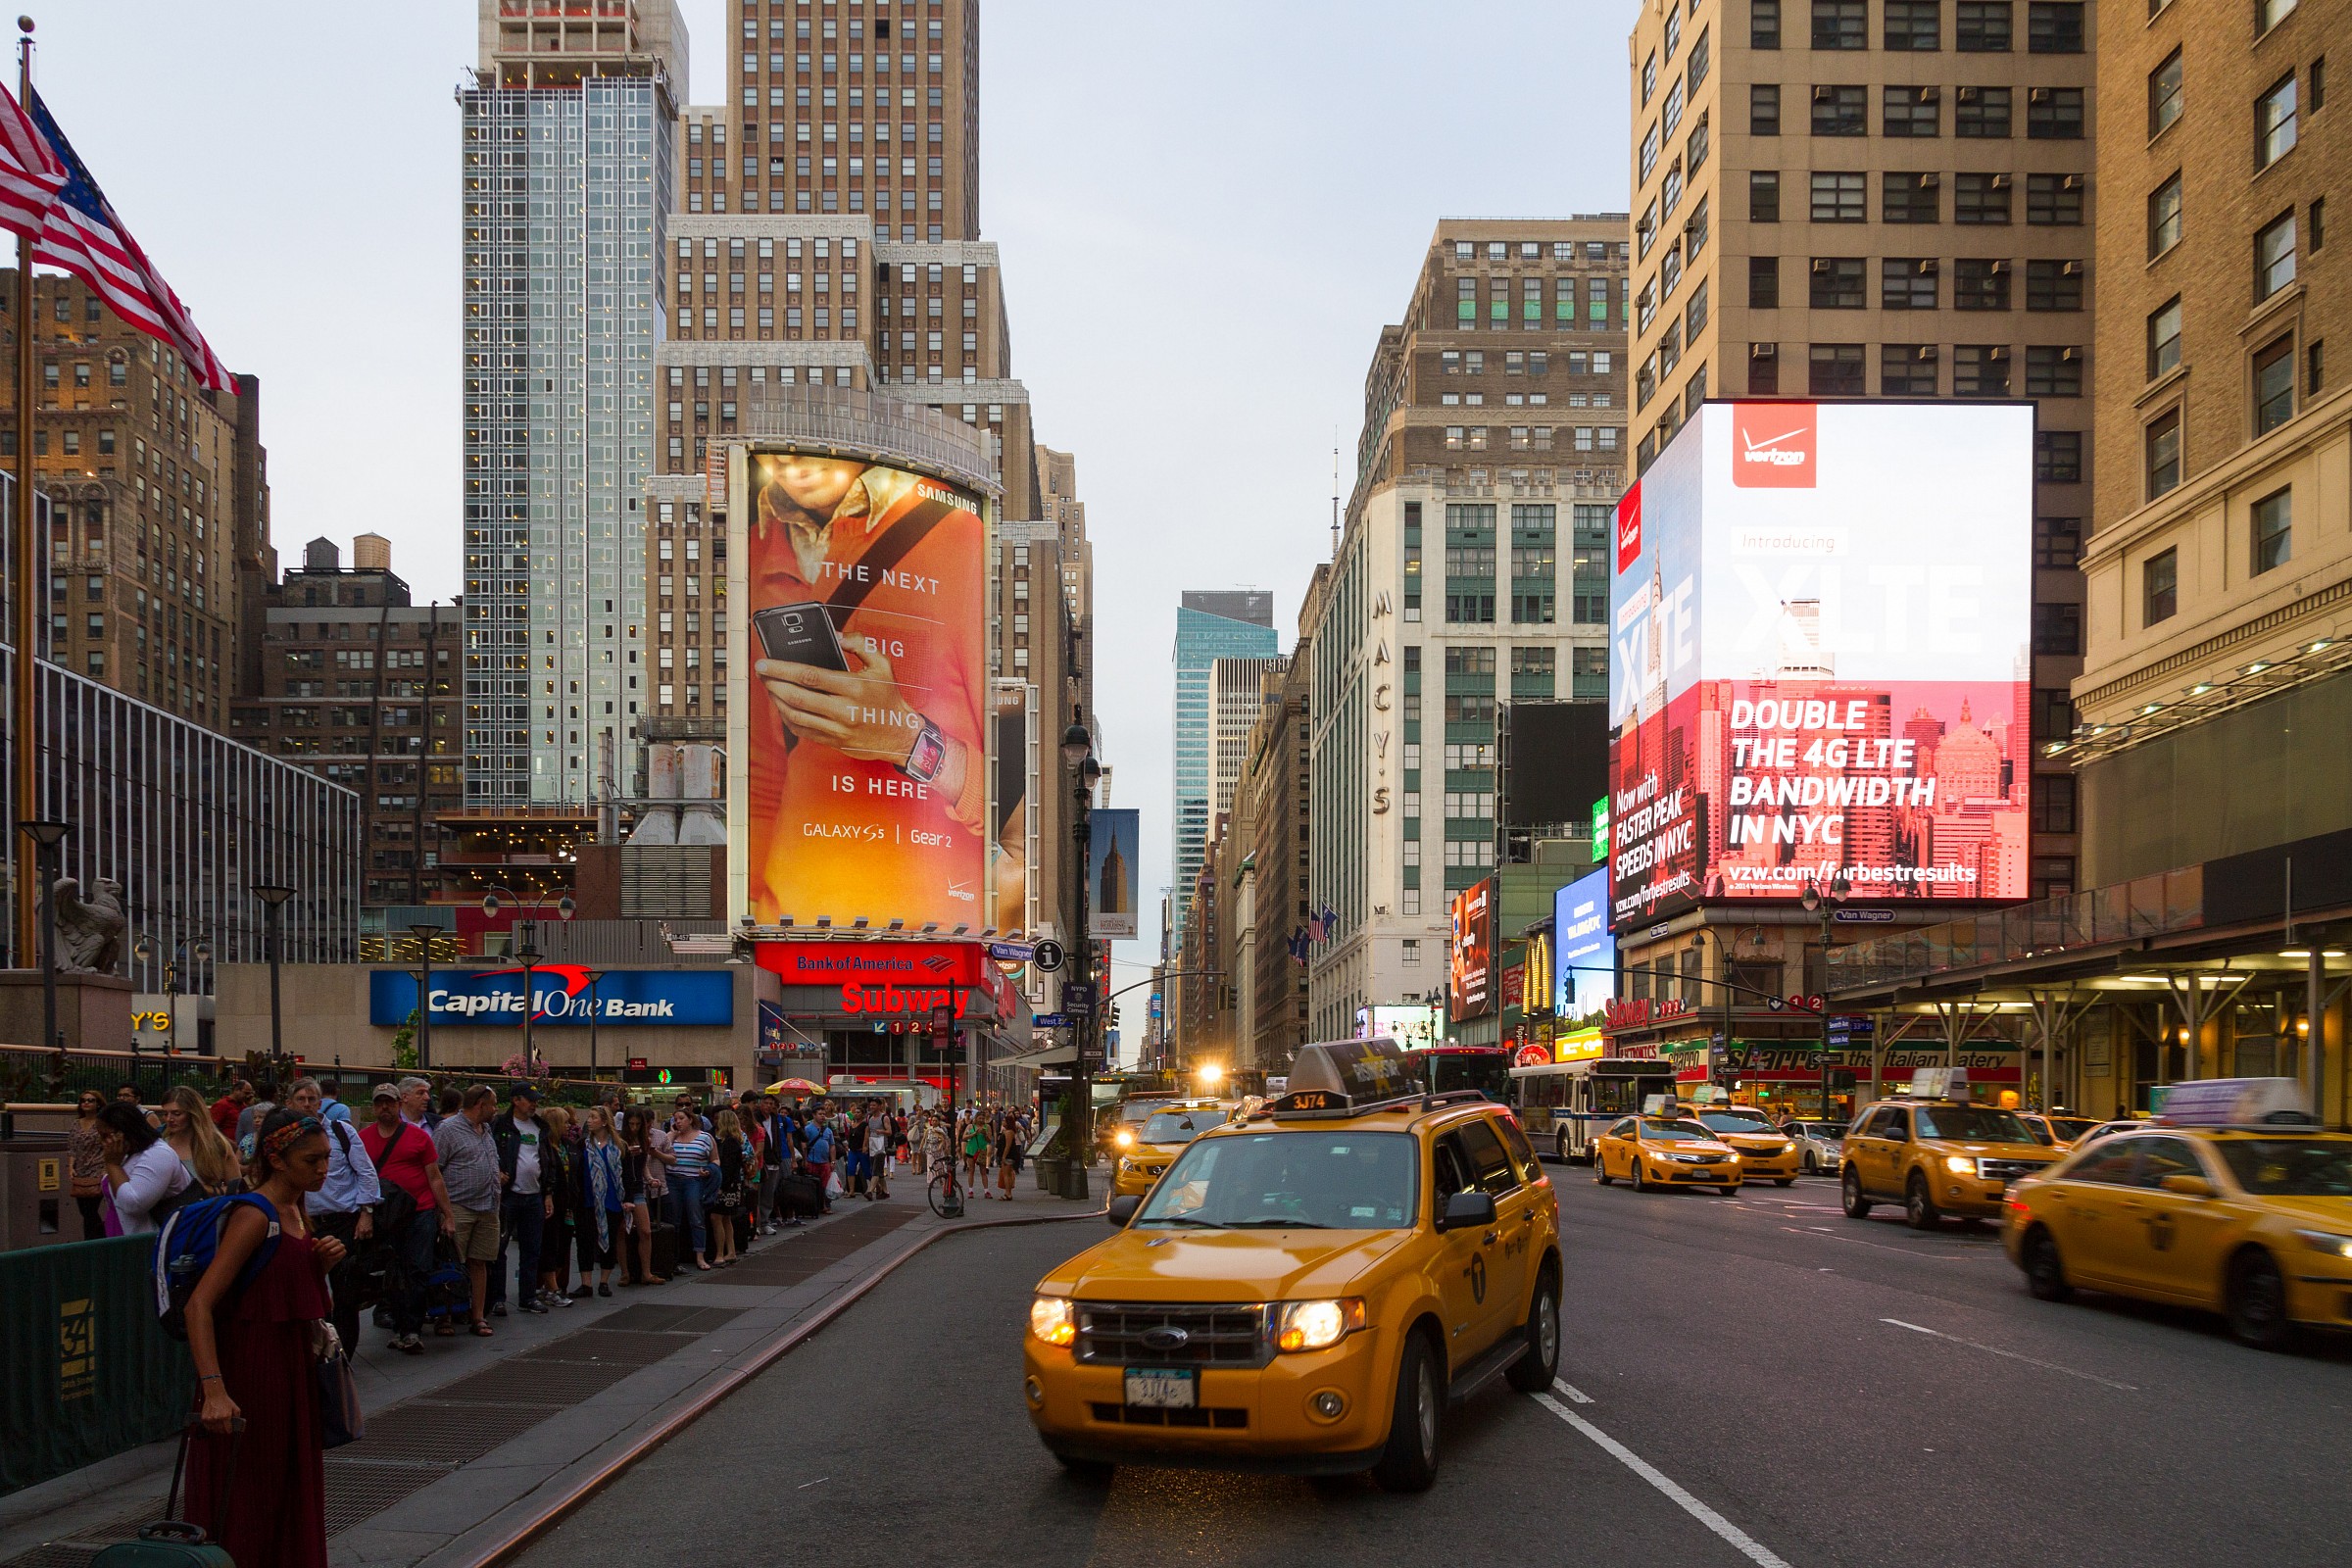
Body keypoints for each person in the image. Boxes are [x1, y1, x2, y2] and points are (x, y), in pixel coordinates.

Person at [744, 453, 987, 927]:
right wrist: (753, 920)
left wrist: (906, 739)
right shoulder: (753, 544)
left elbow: (1018, 823)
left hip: (934, 939)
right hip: (784, 936)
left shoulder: (962, 534)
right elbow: (763, 771)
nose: (790, 457)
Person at [182, 1108, 344, 1568]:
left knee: (283, 1487)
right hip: (252, 1370)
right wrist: (214, 1390)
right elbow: (200, 1305)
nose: (323, 1169)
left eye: (327, 1158)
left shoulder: (296, 1209)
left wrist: (319, 1265)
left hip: (289, 1368)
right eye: (312, 1160)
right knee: (253, 1494)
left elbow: (277, 1286)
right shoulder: (256, 1214)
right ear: (276, 1159)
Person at [286, 1077, 377, 1364]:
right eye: (301, 1099)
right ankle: (318, 1352)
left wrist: (366, 1213)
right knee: (310, 1291)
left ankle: (344, 1357)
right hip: (304, 1222)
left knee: (345, 1291)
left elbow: (366, 1172)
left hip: (342, 1220)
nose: (307, 1104)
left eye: (312, 1099)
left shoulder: (340, 1131)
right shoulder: (285, 1136)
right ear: (290, 1103)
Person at [361, 1082, 454, 1352]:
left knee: (417, 1269)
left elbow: (435, 1178)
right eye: (380, 1103)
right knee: (392, 1272)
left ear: (399, 1104)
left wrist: (447, 1215)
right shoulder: (363, 1139)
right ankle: (400, 1325)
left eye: (389, 1102)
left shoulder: (418, 1137)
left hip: (419, 1213)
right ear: (374, 1107)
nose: (385, 1108)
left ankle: (411, 1330)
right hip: (385, 1216)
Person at [432, 1086, 504, 1337]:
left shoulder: (486, 1130)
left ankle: (477, 1316)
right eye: (493, 1104)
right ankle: (445, 1316)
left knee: (479, 1262)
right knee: (451, 1262)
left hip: (488, 1206)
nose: (496, 1109)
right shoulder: (448, 1130)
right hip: (459, 1206)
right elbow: (434, 1170)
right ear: (479, 1105)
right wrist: (445, 1212)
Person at [489, 1085, 552, 1316]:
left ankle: (527, 1296)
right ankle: (497, 1298)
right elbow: (488, 1151)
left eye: (536, 1100)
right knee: (499, 1248)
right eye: (530, 1100)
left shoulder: (540, 1127)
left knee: (531, 1249)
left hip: (534, 1195)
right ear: (516, 1100)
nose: (534, 1104)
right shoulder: (500, 1125)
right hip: (508, 1196)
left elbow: (547, 1161)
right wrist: (497, 1171)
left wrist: (547, 1193)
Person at [98, 1101, 189, 1235]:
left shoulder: (158, 1154)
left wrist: (113, 1165)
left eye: (106, 1135)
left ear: (123, 1131)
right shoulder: (125, 1153)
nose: (102, 1141)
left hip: (149, 1243)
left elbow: (133, 1204)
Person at [576, 1105, 626, 1297]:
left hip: (611, 1200)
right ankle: (586, 1283)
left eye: (593, 1117)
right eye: (589, 1117)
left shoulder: (618, 1146)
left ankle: (604, 1281)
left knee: (609, 1240)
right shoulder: (583, 1145)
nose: (589, 1120)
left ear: (604, 1122)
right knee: (584, 1241)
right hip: (587, 1199)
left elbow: (626, 1175)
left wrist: (626, 1199)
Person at [162, 1085, 245, 1200]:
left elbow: (238, 1189)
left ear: (193, 1114)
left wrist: (204, 1190)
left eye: (177, 1113)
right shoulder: (160, 1144)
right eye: (165, 1114)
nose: (169, 1119)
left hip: (206, 1213)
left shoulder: (216, 1144)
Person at [538, 1103, 581, 1303]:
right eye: (564, 1122)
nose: (569, 1125)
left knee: (563, 1244)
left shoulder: (567, 1146)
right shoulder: (545, 1147)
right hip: (551, 1203)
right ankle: (550, 1287)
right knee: (550, 1244)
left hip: (567, 1204)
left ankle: (553, 1284)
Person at [666, 1108, 715, 1270]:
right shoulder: (672, 1137)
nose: (678, 1122)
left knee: (696, 1218)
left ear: (690, 1119)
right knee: (674, 1220)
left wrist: (709, 1170)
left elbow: (715, 1159)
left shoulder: (705, 1137)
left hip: (694, 1180)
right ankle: (674, 1257)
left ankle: (700, 1256)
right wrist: (671, 1135)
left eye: (681, 1118)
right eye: (675, 1119)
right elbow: (660, 1150)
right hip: (673, 1179)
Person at [617, 1107, 660, 1283]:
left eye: (637, 1124)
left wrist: (649, 1178)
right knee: (621, 1232)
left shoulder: (645, 1141)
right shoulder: (619, 1140)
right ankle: (625, 1272)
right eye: (631, 1124)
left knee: (645, 1230)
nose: (634, 1127)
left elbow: (643, 1165)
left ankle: (646, 1272)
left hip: (636, 1188)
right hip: (622, 1188)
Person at [68, 1090, 108, 1239]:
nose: (86, 1103)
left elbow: (107, 1146)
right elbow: (72, 1148)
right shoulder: (76, 1124)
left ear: (98, 1104)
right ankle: (98, 1237)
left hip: (97, 1169)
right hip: (80, 1170)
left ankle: (91, 1239)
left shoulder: (102, 1124)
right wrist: (71, 1167)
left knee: (90, 1209)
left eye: (91, 1100)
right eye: (83, 1100)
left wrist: (105, 1169)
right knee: (84, 1210)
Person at [708, 1108, 746, 1266]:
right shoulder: (734, 1140)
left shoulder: (729, 1142)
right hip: (733, 1184)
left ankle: (720, 1253)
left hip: (727, 1184)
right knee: (726, 1218)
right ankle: (730, 1250)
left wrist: (721, 1186)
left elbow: (728, 1167)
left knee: (716, 1217)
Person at [865, 1103, 894, 1200]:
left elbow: (889, 1132)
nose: (872, 1107)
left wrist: (881, 1131)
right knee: (879, 1171)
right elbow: (868, 1131)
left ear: (879, 1106)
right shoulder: (869, 1117)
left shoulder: (884, 1118)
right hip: (872, 1146)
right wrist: (865, 1145)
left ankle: (870, 1191)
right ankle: (885, 1192)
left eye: (874, 1105)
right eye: (871, 1105)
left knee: (876, 1169)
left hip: (881, 1147)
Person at [962, 1110, 990, 1199]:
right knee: (971, 1170)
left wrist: (985, 1134)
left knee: (983, 1171)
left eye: (983, 1118)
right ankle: (970, 1190)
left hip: (981, 1150)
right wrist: (974, 1133)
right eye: (980, 1118)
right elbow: (964, 1137)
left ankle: (986, 1191)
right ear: (976, 1118)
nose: (981, 1120)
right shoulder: (970, 1126)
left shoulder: (987, 1127)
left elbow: (989, 1140)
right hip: (971, 1150)